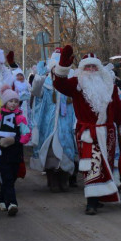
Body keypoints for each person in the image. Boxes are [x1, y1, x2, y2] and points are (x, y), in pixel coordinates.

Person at [52, 46, 121, 215]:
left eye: (94, 67)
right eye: (87, 67)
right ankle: (91, 202)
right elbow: (59, 84)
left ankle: (100, 197)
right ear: (82, 69)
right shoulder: (76, 84)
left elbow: (118, 109)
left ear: (99, 69)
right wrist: (63, 66)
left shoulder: (109, 85)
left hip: (107, 132)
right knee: (91, 165)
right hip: (88, 133)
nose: (91, 70)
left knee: (105, 165)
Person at [30, 49, 78, 193]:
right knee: (50, 151)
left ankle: (64, 178)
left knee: (66, 150)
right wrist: (38, 77)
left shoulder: (71, 82)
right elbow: (36, 94)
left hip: (66, 124)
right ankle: (52, 179)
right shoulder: (46, 82)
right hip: (48, 124)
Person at [0, 88, 31, 216]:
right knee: (6, 177)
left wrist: (14, 140)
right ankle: (12, 203)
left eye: (15, 101)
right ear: (5, 103)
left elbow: (27, 134)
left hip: (15, 153)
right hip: (1, 153)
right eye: (10, 101)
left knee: (11, 178)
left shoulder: (20, 118)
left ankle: (2, 200)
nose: (13, 103)